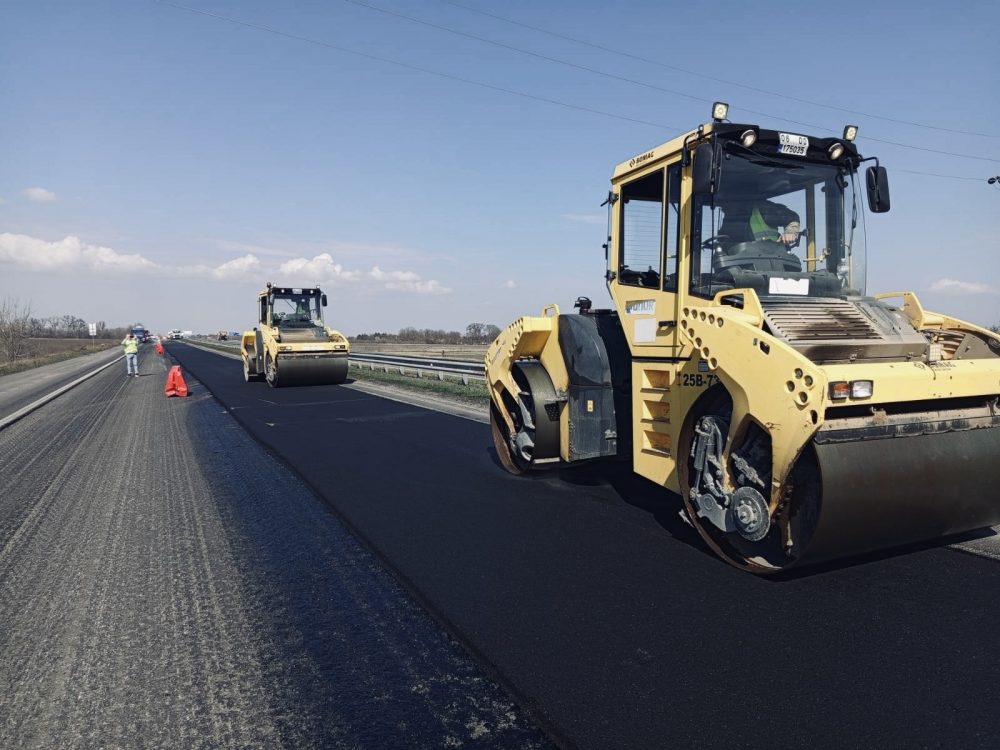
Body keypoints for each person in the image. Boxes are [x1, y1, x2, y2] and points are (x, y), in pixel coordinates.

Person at [718, 199, 800, 249]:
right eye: (723, 206)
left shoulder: (763, 209)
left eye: (726, 202)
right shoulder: (729, 220)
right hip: (741, 266)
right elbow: (724, 243)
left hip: (773, 260)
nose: (724, 209)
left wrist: (790, 232)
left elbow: (792, 217)